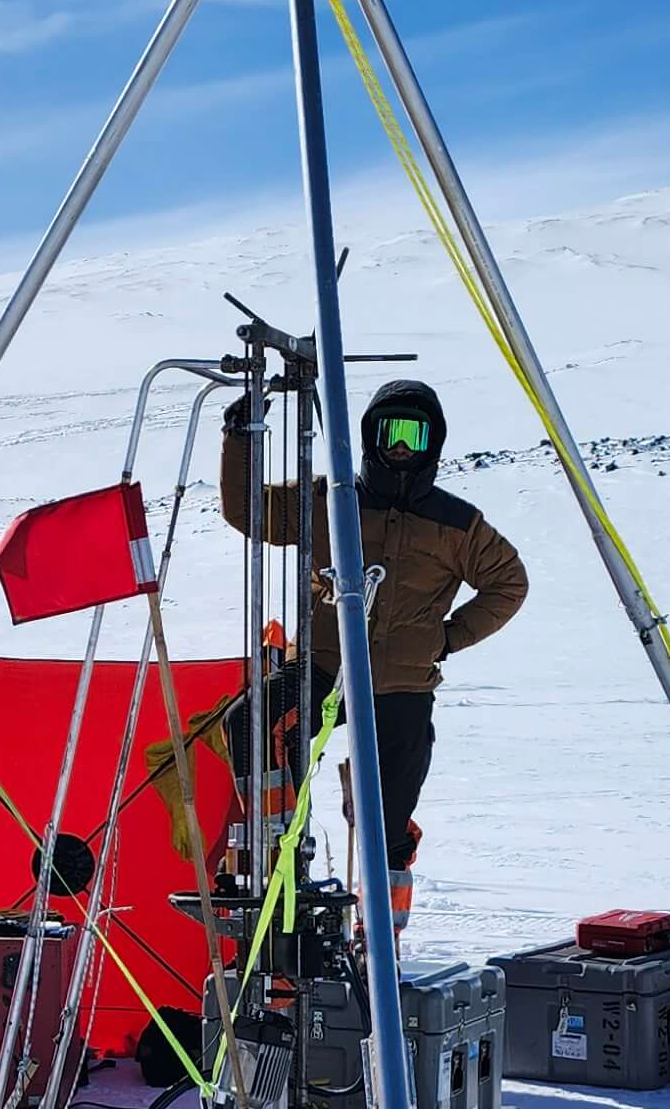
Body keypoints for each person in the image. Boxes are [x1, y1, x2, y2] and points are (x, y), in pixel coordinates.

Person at [220, 376, 527, 922]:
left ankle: (384, 929)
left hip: (402, 682)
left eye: (415, 435)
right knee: (252, 723)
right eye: (392, 432)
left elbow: (508, 583)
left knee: (390, 815)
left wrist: (448, 637)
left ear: (433, 442)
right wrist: (241, 437)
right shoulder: (328, 499)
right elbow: (251, 512)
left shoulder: (456, 524)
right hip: (324, 665)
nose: (402, 447)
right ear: (370, 436)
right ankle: (275, 853)